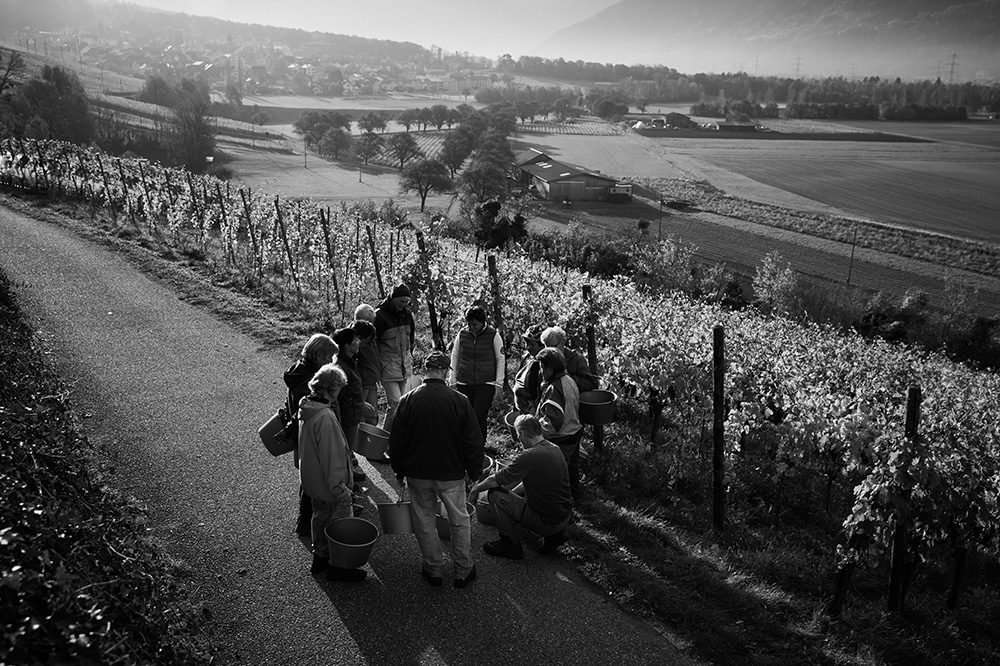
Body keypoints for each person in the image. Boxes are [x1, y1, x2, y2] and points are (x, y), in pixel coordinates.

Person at [389, 351, 484, 588]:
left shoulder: (407, 400)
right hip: (451, 474)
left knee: (424, 521)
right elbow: (473, 441)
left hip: (418, 474)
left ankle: (433, 569)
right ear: (444, 372)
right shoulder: (460, 400)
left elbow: (397, 441)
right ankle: (463, 570)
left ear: (425, 371)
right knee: (459, 520)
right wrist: (474, 472)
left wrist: (399, 470)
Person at [297, 363, 366, 582]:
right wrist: (341, 488)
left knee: (320, 518)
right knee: (339, 524)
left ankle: (320, 557)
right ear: (332, 388)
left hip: (313, 481)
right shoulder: (325, 417)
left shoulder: (307, 409)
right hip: (330, 484)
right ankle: (340, 566)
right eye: (339, 388)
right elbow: (332, 457)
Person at [471, 414, 573, 559]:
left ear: (524, 434)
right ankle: (555, 537)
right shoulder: (554, 448)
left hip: (546, 523)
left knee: (495, 494)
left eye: (519, 435)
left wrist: (475, 489)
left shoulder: (530, 455)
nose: (519, 440)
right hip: (563, 516)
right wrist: (511, 497)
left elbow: (496, 480)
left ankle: (510, 545)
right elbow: (529, 482)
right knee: (511, 493)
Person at [284, 333, 339, 537]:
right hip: (310, 435)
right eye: (328, 358)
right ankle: (307, 524)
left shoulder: (298, 370)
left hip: (302, 433)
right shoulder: (309, 380)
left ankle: (306, 522)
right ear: (318, 355)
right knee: (312, 481)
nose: (329, 363)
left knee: (308, 478)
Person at [332, 328, 380, 511]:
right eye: (355, 340)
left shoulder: (349, 361)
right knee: (344, 456)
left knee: (347, 454)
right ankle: (347, 497)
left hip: (352, 415)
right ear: (346, 345)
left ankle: (349, 489)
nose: (358, 342)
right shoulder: (341, 367)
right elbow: (341, 396)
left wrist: (360, 404)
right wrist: (360, 405)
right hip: (347, 418)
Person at [449, 305, 505, 446]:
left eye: (474, 324)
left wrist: (499, 383)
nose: (471, 327)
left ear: (482, 322)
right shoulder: (462, 334)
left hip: (485, 383)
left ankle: (479, 446)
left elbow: (500, 358)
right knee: (463, 416)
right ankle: (464, 445)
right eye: (469, 324)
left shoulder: (493, 335)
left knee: (479, 415)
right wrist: (452, 379)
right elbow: (455, 356)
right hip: (464, 382)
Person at [534, 347, 584, 500]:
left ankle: (560, 501)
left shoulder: (555, 389)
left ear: (551, 369)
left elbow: (553, 422)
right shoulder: (568, 380)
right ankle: (575, 496)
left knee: (557, 473)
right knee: (571, 470)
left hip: (561, 437)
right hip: (574, 431)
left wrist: (535, 432)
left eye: (543, 368)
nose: (541, 371)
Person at [375, 284, 415, 432]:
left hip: (404, 366)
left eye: (406, 302)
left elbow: (411, 340)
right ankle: (383, 441)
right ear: (393, 298)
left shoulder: (408, 315)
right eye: (401, 301)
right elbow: (373, 344)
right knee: (396, 404)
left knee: (402, 405)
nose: (404, 305)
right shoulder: (379, 315)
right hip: (387, 365)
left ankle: (395, 441)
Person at [540, 326, 599, 393]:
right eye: (547, 347)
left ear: (562, 342)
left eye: (553, 347)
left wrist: (568, 378)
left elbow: (592, 384)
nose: (550, 351)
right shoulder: (546, 360)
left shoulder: (576, 359)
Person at [352, 318, 380, 429]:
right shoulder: (353, 346)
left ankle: (370, 441)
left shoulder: (370, 339)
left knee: (371, 414)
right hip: (362, 383)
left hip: (371, 380)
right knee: (361, 415)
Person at [512, 323, 546, 414]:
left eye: (532, 344)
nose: (528, 347)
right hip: (522, 410)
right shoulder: (526, 358)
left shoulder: (544, 364)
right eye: (527, 343)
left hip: (534, 411)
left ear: (542, 345)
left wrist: (534, 409)